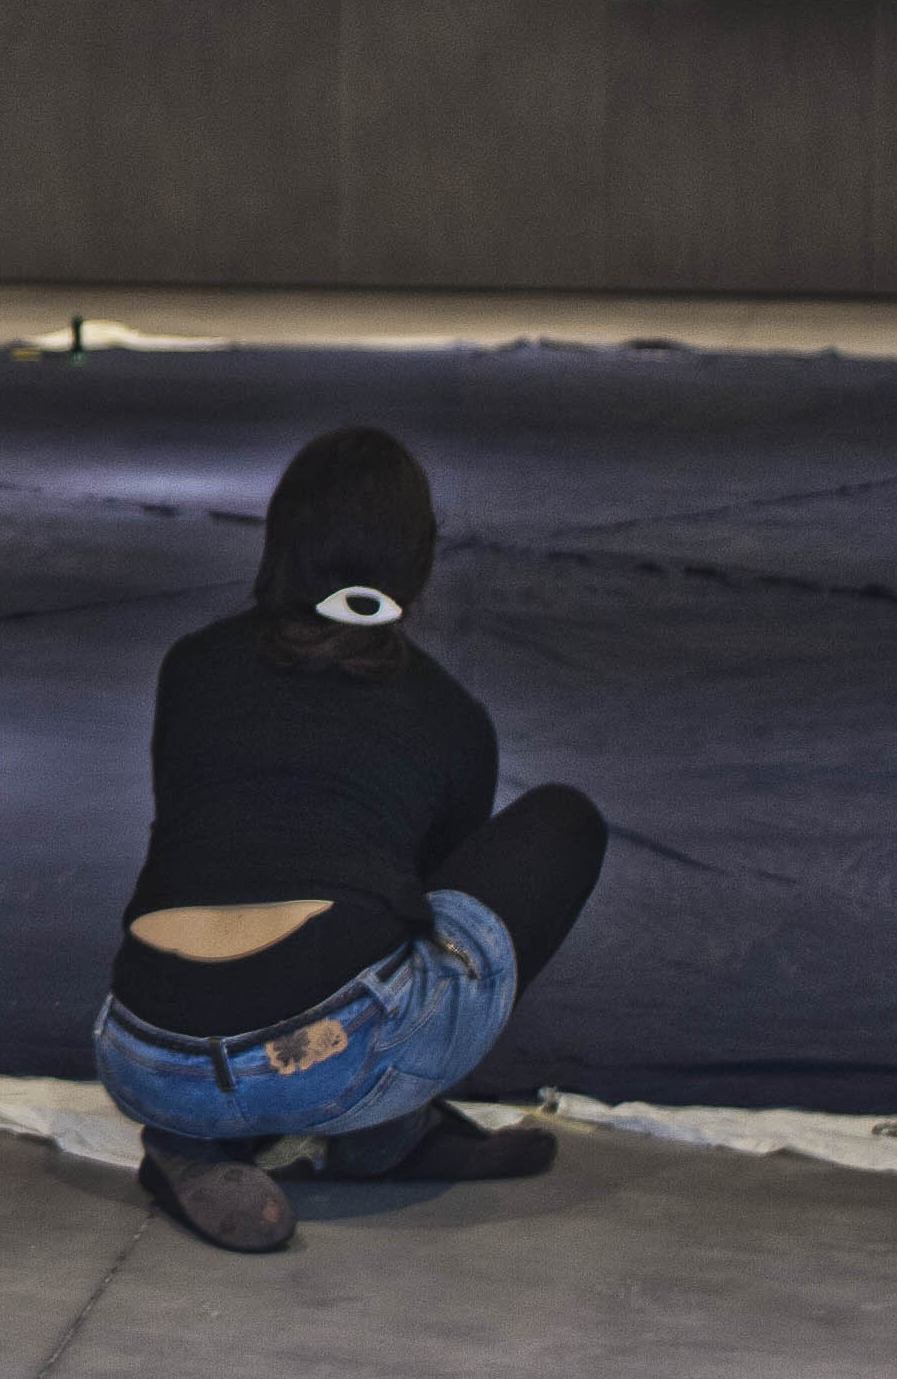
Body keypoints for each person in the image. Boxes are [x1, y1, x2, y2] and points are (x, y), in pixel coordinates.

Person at [93, 426, 608, 1252]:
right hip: (324, 1060)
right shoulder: (449, 717)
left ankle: (195, 1139)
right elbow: (434, 910)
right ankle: (380, 1124)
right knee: (562, 822)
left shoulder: (190, 665)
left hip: (141, 1054)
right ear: (418, 563)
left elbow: (196, 842)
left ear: (280, 543)